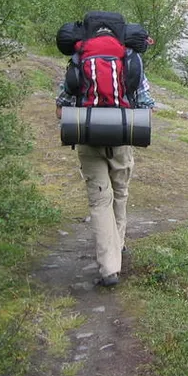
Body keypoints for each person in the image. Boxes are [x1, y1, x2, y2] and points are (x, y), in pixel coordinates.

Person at [55, 36, 154, 287]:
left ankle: (109, 269)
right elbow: (147, 106)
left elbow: (60, 110)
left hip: (88, 140)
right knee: (120, 193)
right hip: (122, 140)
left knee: (100, 200)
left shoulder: (79, 59)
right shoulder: (129, 60)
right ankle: (117, 246)